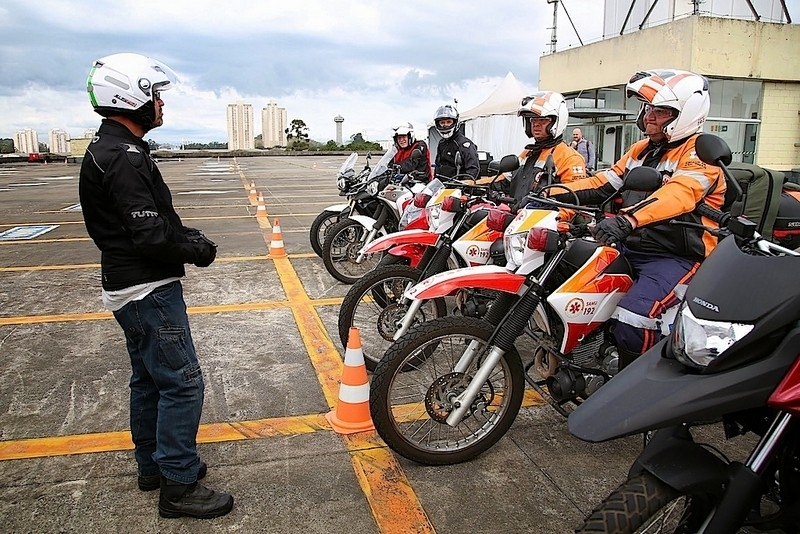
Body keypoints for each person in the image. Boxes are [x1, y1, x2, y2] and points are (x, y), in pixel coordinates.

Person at [78, 53, 234, 519]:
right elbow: (149, 235)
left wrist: (185, 235)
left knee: (148, 380)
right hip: (148, 290)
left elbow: (150, 224)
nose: (161, 103)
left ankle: (154, 467)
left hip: (128, 284)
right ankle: (179, 485)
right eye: (155, 94)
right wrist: (197, 249)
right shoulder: (123, 157)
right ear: (130, 96)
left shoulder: (113, 150)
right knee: (183, 384)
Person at [554, 69, 726, 370]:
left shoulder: (700, 155)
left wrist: (626, 221)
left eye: (660, 111)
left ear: (686, 113)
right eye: (647, 109)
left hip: (679, 256)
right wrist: (551, 194)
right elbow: (602, 184)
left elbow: (678, 194)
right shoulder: (641, 150)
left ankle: (640, 392)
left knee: (634, 317)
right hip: (633, 246)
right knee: (565, 276)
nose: (649, 116)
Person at [498, 91, 587, 199]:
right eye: (533, 120)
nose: (536, 124)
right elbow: (505, 179)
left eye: (542, 120)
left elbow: (573, 200)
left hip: (543, 215)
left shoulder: (570, 158)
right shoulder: (528, 153)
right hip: (519, 214)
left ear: (556, 122)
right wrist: (474, 184)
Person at [433, 104, 480, 180]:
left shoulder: (465, 144)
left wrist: (463, 185)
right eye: (442, 123)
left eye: (448, 122)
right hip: (443, 187)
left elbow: (473, 169)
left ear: (455, 122)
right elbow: (438, 166)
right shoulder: (441, 143)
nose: (445, 125)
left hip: (459, 187)